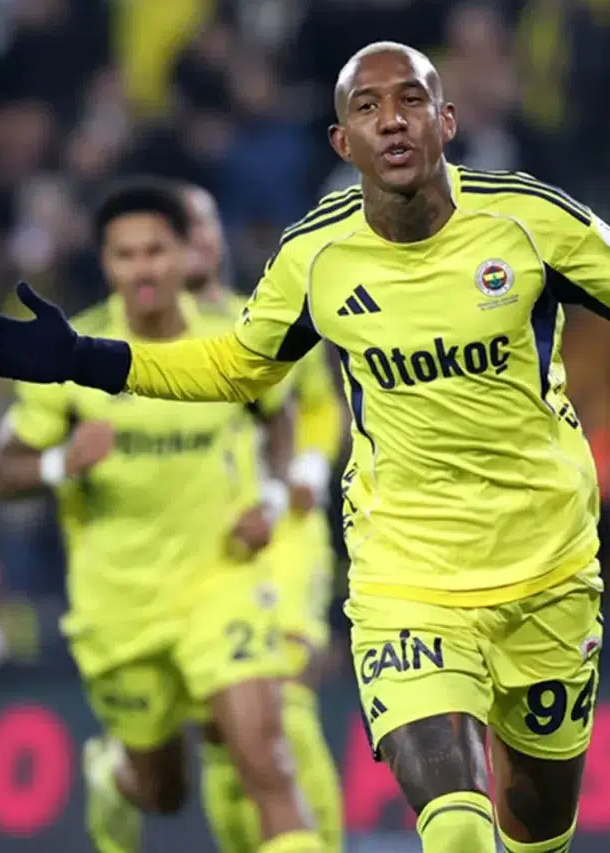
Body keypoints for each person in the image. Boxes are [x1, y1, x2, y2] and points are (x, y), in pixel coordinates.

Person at [0, 43, 610, 853]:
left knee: (538, 824)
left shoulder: (531, 219)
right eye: (367, 106)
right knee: (457, 828)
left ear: (445, 121)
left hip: (547, 570)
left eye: (411, 99)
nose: (392, 120)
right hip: (405, 580)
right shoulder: (314, 256)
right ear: (341, 141)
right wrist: (87, 358)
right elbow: (236, 366)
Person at [0, 178, 325, 853]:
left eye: (156, 251)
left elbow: (281, 417)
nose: (143, 269)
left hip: (220, 582)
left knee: (266, 760)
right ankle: (114, 778)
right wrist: (61, 463)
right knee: (163, 792)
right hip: (122, 606)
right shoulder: (73, 353)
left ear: (187, 255)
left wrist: (272, 497)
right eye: (126, 255)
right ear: (106, 263)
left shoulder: (234, 338)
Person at [178, 183, 346, 853]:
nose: (194, 238)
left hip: (280, 535)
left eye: (202, 223)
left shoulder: (266, 316)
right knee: (222, 730)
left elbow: (321, 405)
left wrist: (305, 471)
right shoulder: (130, 341)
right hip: (200, 546)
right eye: (177, 227)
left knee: (284, 699)